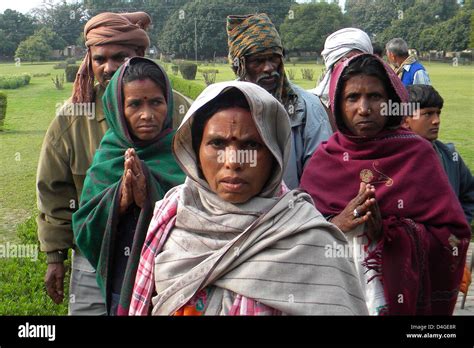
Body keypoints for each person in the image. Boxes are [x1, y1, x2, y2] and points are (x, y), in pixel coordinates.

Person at [129, 81, 368, 316]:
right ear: (195, 150)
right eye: (217, 143)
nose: (233, 161)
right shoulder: (171, 215)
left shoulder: (309, 239)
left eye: (251, 145)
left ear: (275, 153)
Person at [36, 12, 191, 315]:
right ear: (89, 61)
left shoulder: (181, 112)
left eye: (120, 57)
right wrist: (55, 256)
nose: (108, 67)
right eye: (100, 58)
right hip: (94, 254)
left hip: (166, 259)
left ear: (140, 57)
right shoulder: (72, 120)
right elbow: (54, 191)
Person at [300, 53, 471, 315]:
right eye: (352, 97)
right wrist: (337, 224)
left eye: (375, 97)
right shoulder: (324, 161)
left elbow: (452, 235)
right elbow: (299, 238)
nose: (364, 108)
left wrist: (391, 232)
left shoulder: (417, 154)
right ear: (336, 104)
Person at [72, 57, 186, 315]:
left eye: (156, 102)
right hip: (122, 280)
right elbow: (84, 227)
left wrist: (151, 197)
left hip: (173, 283)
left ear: (168, 104)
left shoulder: (184, 153)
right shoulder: (109, 157)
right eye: (134, 104)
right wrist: (120, 200)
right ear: (117, 108)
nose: (147, 114)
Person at [226, 13, 332, 189]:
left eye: (273, 58)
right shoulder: (223, 104)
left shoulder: (307, 107)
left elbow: (321, 176)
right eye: (258, 61)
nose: (268, 68)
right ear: (240, 66)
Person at [403, 84, 474, 223]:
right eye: (428, 114)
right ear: (406, 120)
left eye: (438, 113)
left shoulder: (450, 157)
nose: (437, 121)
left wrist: (458, 227)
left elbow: (469, 195)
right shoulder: (392, 160)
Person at [308, 28, 373, 110]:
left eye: (359, 60)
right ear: (333, 65)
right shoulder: (312, 105)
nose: (354, 67)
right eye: (346, 61)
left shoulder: (382, 98)